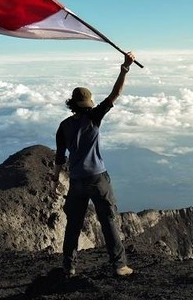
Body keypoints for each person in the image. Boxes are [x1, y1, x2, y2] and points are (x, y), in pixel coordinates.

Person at [52, 51, 136, 277]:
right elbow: (115, 94)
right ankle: (119, 266)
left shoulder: (63, 126)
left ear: (72, 104)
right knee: (108, 220)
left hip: (77, 180)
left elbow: (60, 157)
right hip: (98, 178)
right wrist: (125, 68)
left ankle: (68, 266)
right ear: (87, 104)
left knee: (73, 225)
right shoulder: (94, 117)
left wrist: (55, 181)